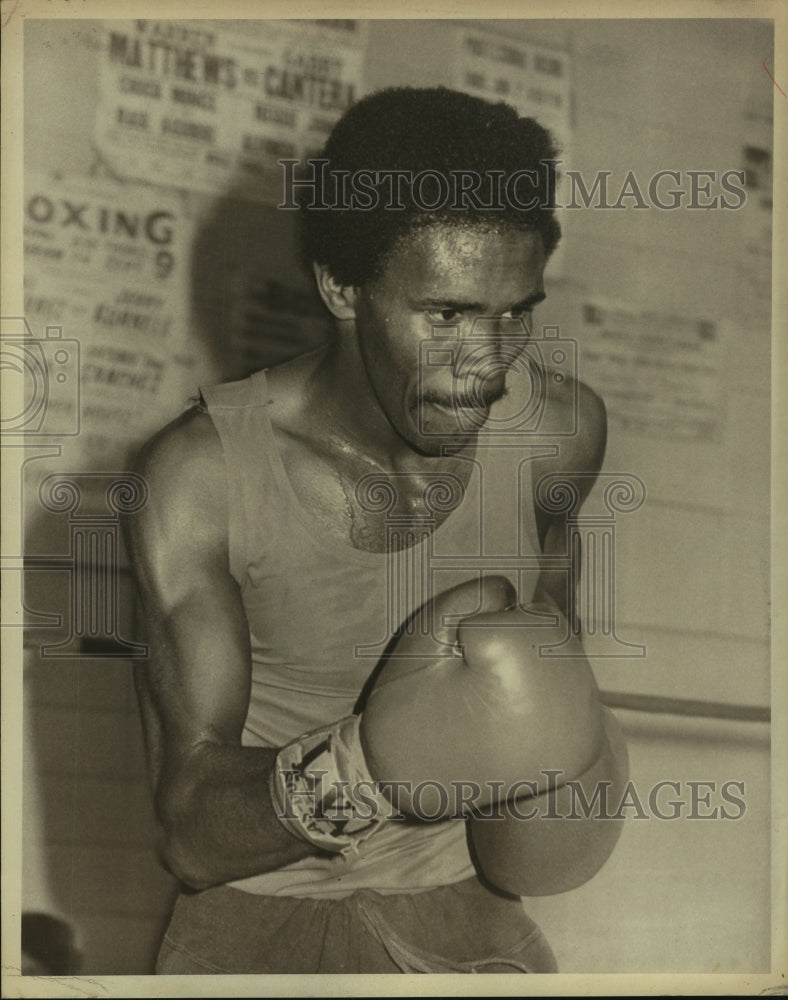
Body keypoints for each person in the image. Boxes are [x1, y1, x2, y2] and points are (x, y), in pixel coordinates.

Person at [125, 86, 629, 975]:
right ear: (340, 285)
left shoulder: (559, 435)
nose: (487, 365)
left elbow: (552, 665)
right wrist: (371, 766)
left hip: (471, 921)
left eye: (516, 312)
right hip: (255, 930)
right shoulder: (202, 476)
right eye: (446, 315)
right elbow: (189, 831)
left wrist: (565, 767)